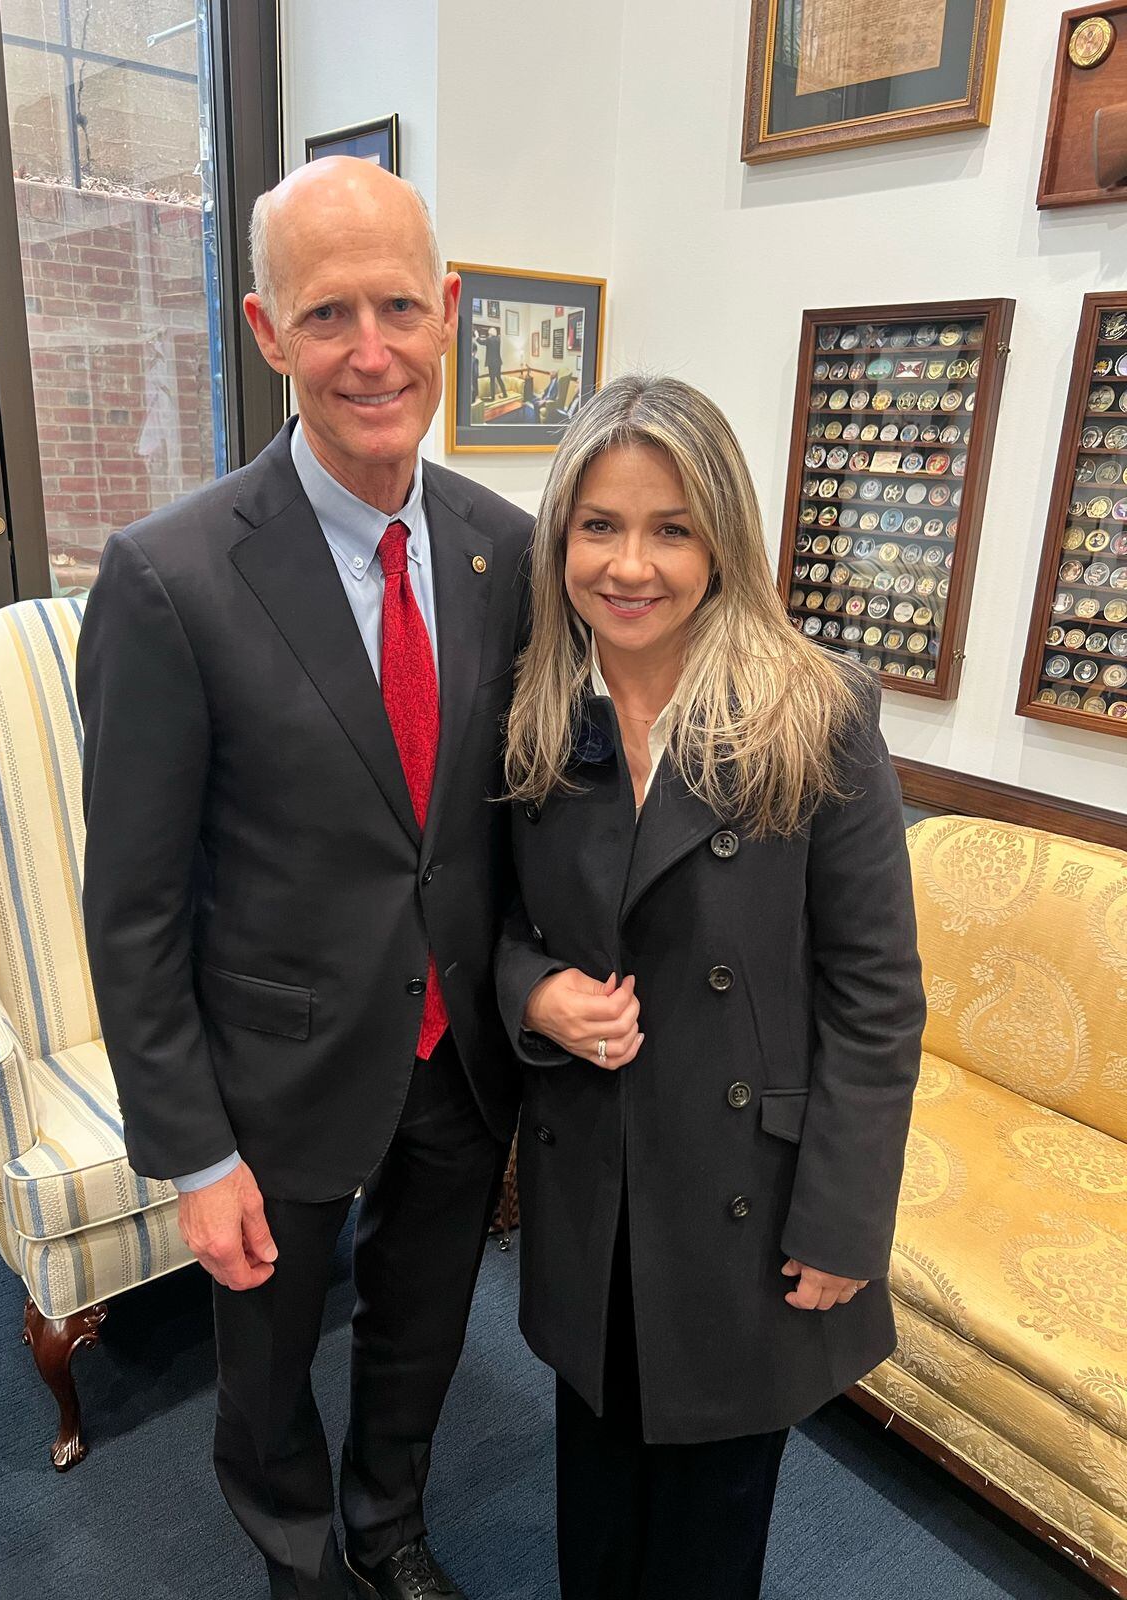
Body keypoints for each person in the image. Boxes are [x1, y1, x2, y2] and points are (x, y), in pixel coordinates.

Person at [77, 157, 533, 1600]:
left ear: (449, 311)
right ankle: (299, 1559)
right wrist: (193, 1153)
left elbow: (504, 821)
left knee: (422, 1328)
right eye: (327, 312)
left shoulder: (507, 554)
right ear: (269, 332)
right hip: (271, 1082)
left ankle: (390, 1528)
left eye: (400, 304)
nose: (371, 349)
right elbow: (133, 905)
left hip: (459, 1059)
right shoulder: (169, 579)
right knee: (267, 1374)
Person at [496, 374, 926, 1599]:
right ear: (561, 538)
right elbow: (495, 927)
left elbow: (877, 995)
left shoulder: (815, 711)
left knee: (709, 1532)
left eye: (671, 528)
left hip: (749, 1199)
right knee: (597, 1489)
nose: (631, 564)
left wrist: (845, 1223)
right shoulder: (536, 710)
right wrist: (534, 994)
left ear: (722, 539)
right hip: (594, 1184)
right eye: (601, 525)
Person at [480, 326, 507, 399]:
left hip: (492, 363)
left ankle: (492, 397)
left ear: (490, 333)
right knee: (498, 378)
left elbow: (481, 342)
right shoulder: (498, 339)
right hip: (498, 362)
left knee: (492, 380)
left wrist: (476, 336)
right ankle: (505, 394)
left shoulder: (489, 339)